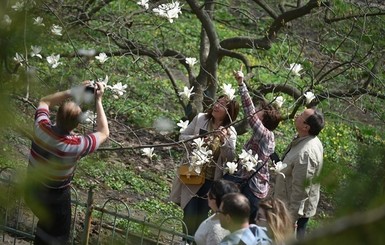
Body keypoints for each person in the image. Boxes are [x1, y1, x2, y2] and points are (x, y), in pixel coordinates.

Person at [24, 81, 109, 245]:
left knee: (44, 231)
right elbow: (104, 132)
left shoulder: (40, 128)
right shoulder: (76, 145)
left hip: (32, 191)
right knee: (56, 238)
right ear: (77, 125)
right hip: (55, 202)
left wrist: (73, 91)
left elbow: (45, 101)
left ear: (56, 116)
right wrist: (98, 101)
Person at [170, 94, 240, 238]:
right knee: (189, 211)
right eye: (217, 102)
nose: (216, 106)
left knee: (201, 214)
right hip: (193, 173)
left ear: (229, 112)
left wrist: (224, 141)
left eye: (222, 105)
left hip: (211, 181)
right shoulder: (201, 119)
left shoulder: (230, 132)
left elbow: (231, 157)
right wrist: (197, 140)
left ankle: (195, 240)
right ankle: (187, 240)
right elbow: (181, 137)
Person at [231, 70, 282, 223]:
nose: (257, 112)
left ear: (264, 119)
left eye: (260, 111)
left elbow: (250, 113)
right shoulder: (262, 136)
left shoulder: (265, 135)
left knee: (242, 224)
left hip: (252, 190)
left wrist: (241, 84)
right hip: (249, 185)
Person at [273, 107, 325, 240]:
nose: (297, 115)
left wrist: (290, 219)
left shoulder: (306, 153)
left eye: (301, 115)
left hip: (293, 213)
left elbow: (301, 190)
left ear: (306, 127)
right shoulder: (303, 140)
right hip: (286, 204)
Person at [194, 179, 240, 245]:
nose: (207, 194)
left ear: (216, 199)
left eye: (210, 193)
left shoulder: (217, 230)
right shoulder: (218, 215)